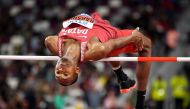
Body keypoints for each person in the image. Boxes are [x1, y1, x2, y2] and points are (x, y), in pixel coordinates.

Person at [45, 12, 151, 109]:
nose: (62, 70)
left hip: (92, 21)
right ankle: (140, 105)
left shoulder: (53, 44)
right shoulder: (93, 50)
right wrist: (132, 38)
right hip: (108, 34)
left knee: (107, 23)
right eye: (66, 74)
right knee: (146, 44)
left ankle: (121, 76)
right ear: (77, 70)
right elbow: (113, 44)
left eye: (58, 72)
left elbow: (48, 39)